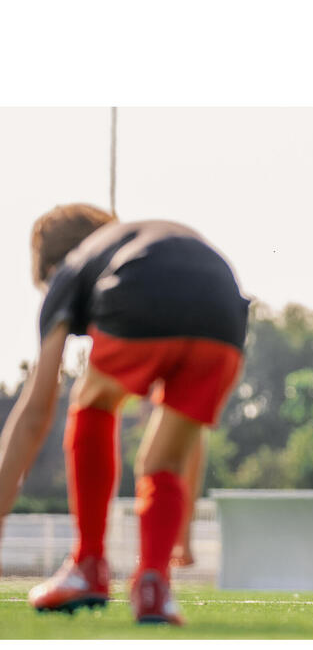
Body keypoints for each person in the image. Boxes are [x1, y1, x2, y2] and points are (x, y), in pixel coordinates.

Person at [0, 204, 248, 625]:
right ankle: (154, 582)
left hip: (141, 290)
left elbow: (35, 410)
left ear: (53, 265)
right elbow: (190, 435)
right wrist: (182, 530)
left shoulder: (70, 270)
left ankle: (88, 565)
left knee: (92, 401)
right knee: (162, 455)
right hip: (225, 311)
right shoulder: (130, 240)